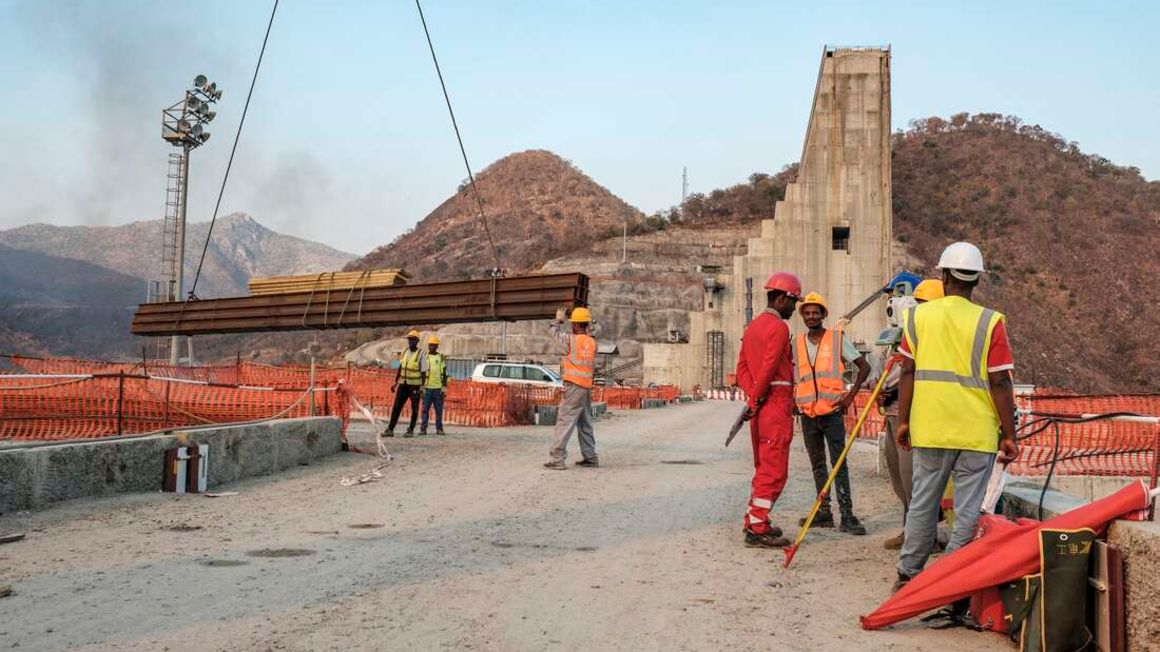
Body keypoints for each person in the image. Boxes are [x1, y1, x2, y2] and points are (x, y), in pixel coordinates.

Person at [894, 243, 1019, 591]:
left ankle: (908, 575)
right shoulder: (990, 321)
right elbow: (999, 381)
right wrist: (1008, 434)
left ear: (943, 275)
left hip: (930, 428)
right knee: (966, 512)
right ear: (977, 279)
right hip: (976, 433)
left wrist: (903, 421)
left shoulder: (917, 317)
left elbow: (907, 371)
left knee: (923, 503)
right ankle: (952, 583)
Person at [793, 292, 872, 535]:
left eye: (815, 312)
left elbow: (864, 367)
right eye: (806, 313)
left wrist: (849, 397)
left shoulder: (837, 339)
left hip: (832, 413)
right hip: (808, 415)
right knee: (818, 464)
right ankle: (824, 512)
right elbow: (793, 375)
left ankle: (847, 515)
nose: (811, 316)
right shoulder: (796, 343)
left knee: (839, 464)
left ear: (823, 315)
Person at [735, 271, 802, 549]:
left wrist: (753, 397)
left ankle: (755, 518)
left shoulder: (752, 328)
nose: (794, 308)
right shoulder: (779, 328)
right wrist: (758, 398)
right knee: (774, 469)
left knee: (763, 465)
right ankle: (758, 526)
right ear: (781, 298)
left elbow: (741, 369)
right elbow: (769, 366)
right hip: (774, 403)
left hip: (763, 405)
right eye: (793, 301)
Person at [881, 278, 944, 550]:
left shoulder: (936, 337)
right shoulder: (903, 336)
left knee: (914, 481)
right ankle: (910, 529)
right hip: (894, 414)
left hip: (917, 417)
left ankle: (922, 536)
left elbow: (910, 371)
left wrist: (890, 386)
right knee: (899, 479)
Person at [544, 306, 598, 470]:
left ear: (574, 324)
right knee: (585, 423)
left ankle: (557, 459)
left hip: (574, 386)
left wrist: (558, 321)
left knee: (565, 421)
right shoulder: (591, 341)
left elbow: (553, 334)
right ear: (586, 324)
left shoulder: (571, 340)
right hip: (586, 388)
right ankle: (590, 457)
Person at [383, 330, 428, 438]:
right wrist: (395, 382)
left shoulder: (421, 354)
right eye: (409, 339)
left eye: (413, 339)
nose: (410, 341)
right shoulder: (404, 351)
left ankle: (410, 430)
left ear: (417, 341)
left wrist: (422, 387)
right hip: (403, 384)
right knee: (396, 407)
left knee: (415, 408)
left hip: (415, 386)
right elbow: (400, 367)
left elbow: (423, 372)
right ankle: (390, 429)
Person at [420, 335, 448, 436]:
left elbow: (444, 373)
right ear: (428, 346)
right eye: (430, 345)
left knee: (439, 410)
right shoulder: (425, 357)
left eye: (434, 345)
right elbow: (422, 373)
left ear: (437, 347)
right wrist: (422, 387)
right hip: (427, 388)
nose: (432, 347)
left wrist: (444, 388)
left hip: (438, 389)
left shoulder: (440, 358)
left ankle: (439, 429)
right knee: (425, 409)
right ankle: (423, 429)